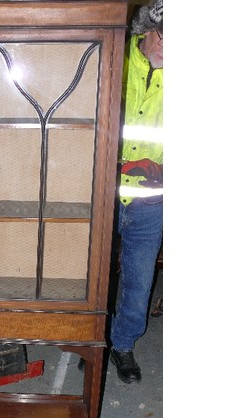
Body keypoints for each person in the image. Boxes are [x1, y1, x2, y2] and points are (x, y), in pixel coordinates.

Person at [79, 0, 163, 383]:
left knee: (138, 280)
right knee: (93, 275)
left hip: (152, 201)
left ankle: (123, 345)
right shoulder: (112, 55)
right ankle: (94, 341)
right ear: (147, 29)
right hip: (103, 193)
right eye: (164, 36)